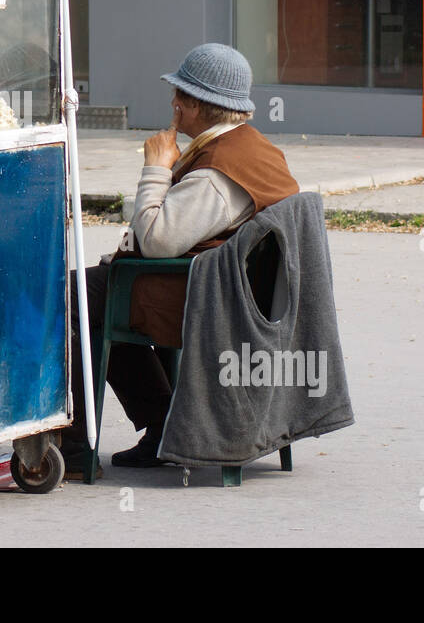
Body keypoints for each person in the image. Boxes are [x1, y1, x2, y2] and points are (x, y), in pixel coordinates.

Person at [60, 43, 299, 479]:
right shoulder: (254, 149)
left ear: (200, 106)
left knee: (71, 298)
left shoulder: (217, 174)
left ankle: (74, 447)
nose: (173, 104)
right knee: (98, 291)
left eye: (181, 97)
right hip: (231, 290)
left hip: (209, 298)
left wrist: (155, 167)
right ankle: (164, 425)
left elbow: (156, 241)